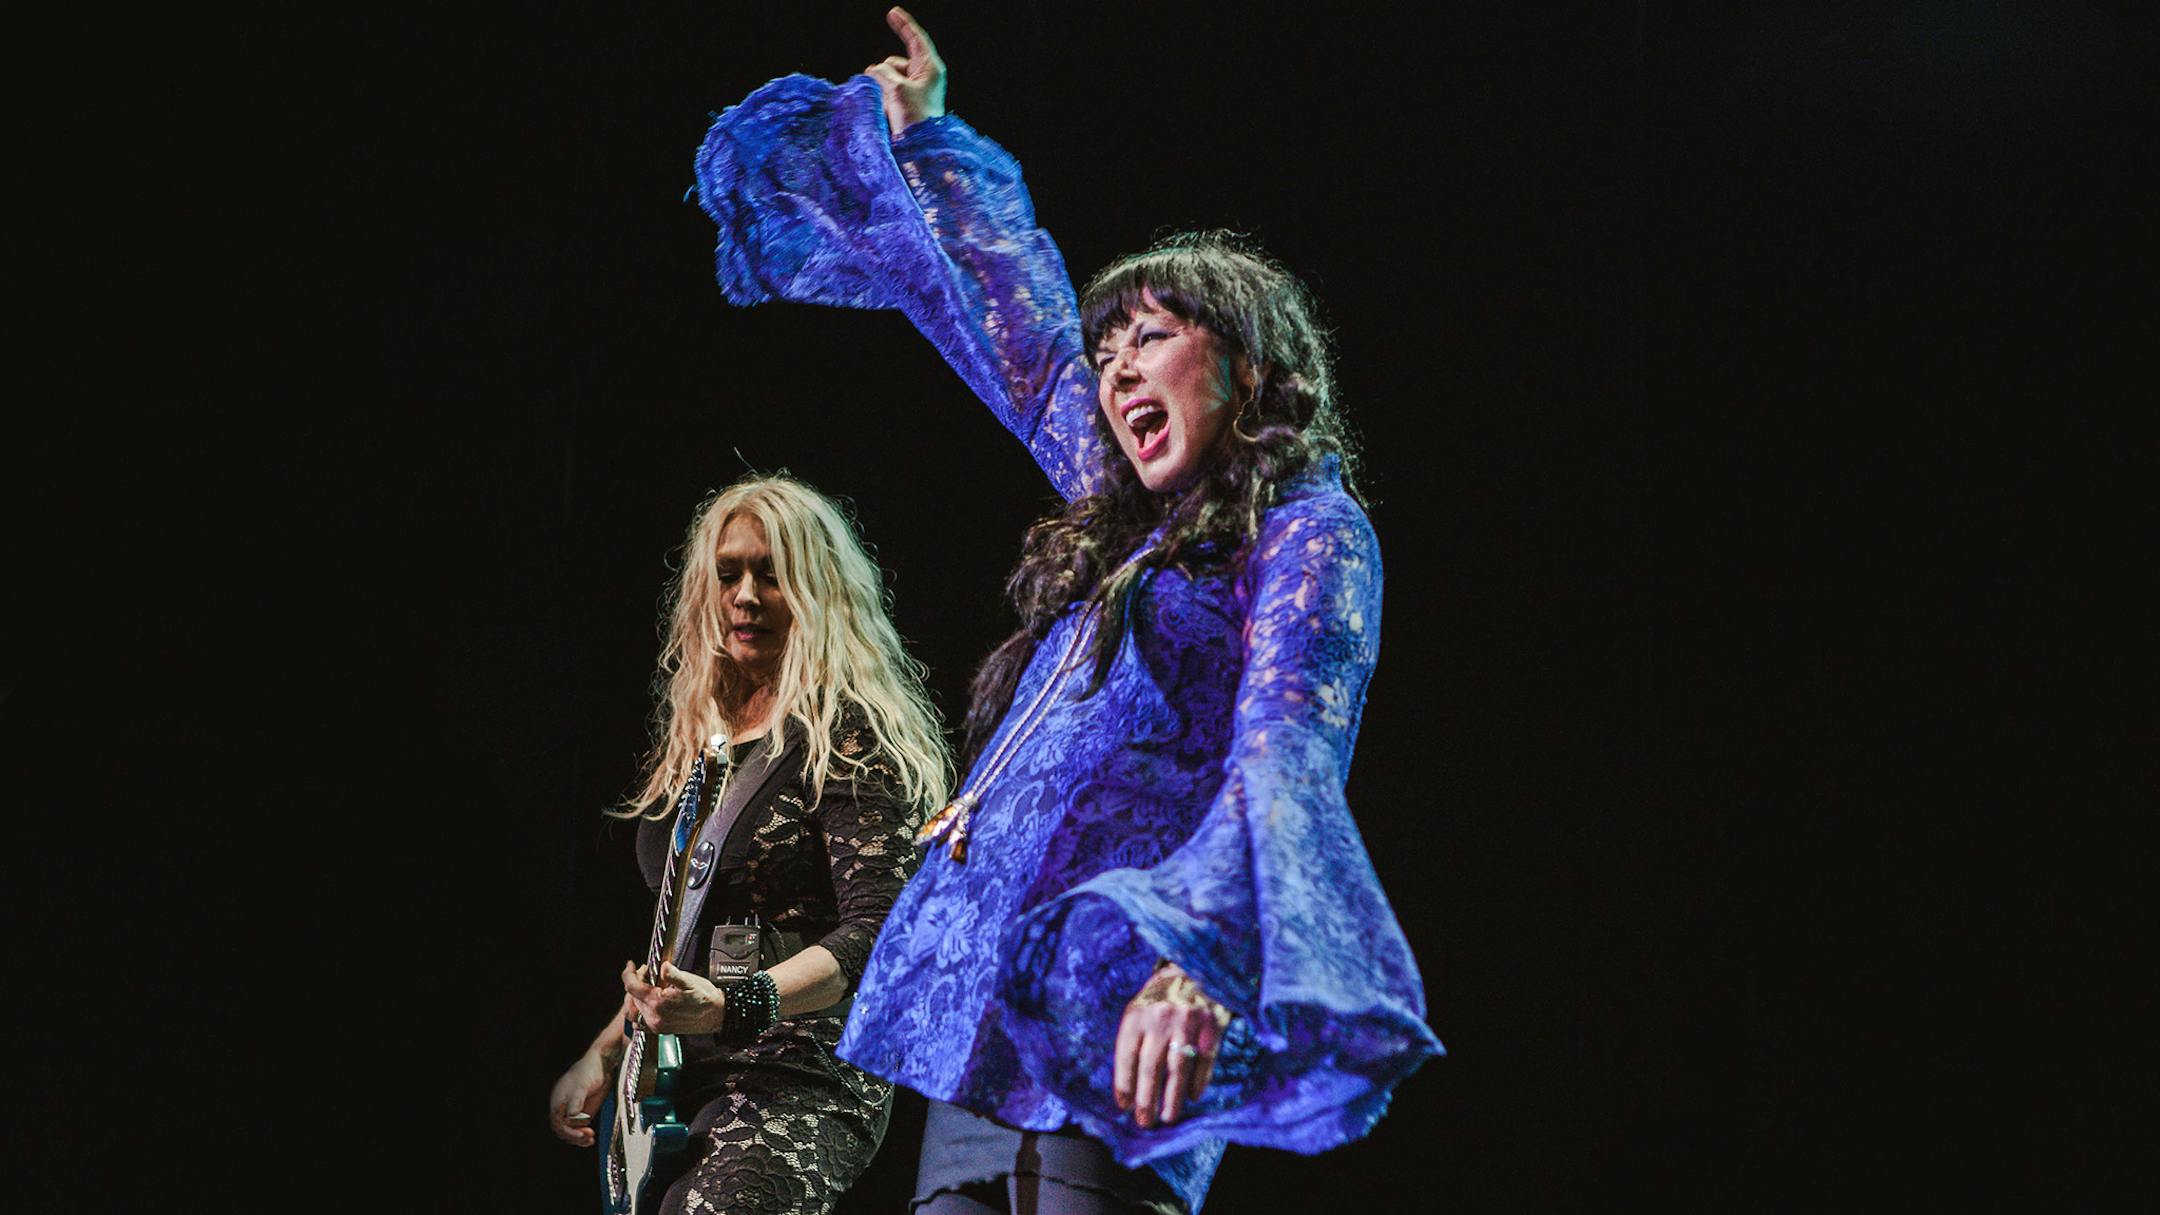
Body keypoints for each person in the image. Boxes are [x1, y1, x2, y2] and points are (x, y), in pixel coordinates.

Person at [692, 11, 1443, 1212]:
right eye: (1110, 351)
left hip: (1130, 1001)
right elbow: (1024, 342)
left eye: (1153, 335)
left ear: (1247, 364)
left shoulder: (1305, 530)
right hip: (980, 1007)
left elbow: (1288, 755)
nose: (1116, 368)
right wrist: (931, 143)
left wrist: (1204, 960)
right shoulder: (1120, 510)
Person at [547, 473, 951, 1215]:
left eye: (772, 573)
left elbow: (882, 932)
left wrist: (741, 1001)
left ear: (818, 588)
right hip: (678, 1073)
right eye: (729, 572)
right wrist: (608, 1049)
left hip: (799, 1069)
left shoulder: (849, 733)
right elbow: (684, 934)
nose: (746, 594)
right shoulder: (700, 744)